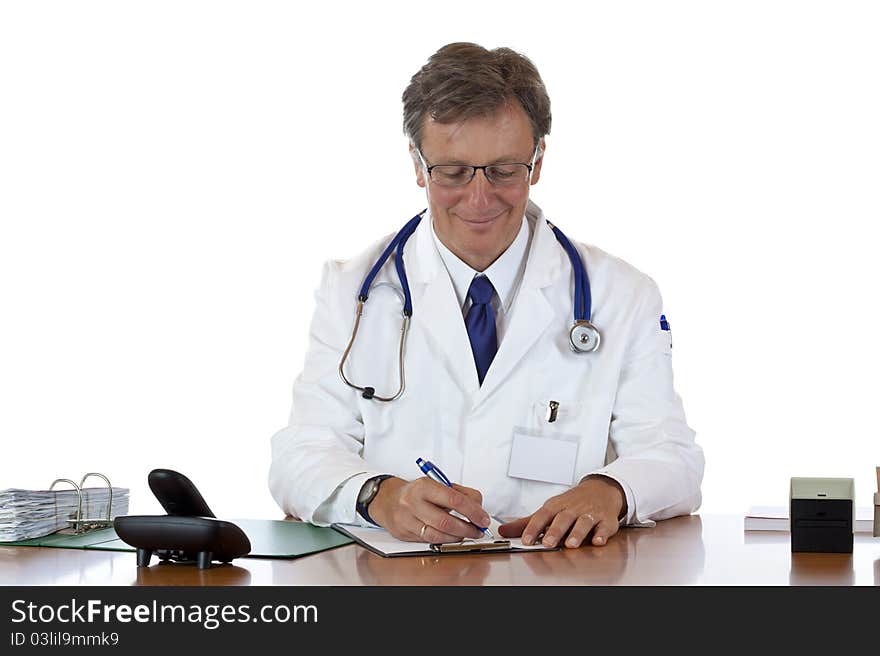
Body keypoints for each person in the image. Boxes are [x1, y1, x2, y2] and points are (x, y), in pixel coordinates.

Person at [269, 42, 704, 549]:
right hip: (404, 580)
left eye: (503, 170)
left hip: (557, 580)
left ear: (537, 160)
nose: (479, 199)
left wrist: (611, 490)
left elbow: (674, 458)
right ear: (417, 163)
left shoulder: (620, 294)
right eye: (452, 172)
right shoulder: (353, 290)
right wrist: (376, 496)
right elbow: (298, 455)